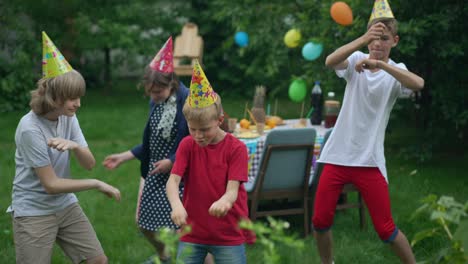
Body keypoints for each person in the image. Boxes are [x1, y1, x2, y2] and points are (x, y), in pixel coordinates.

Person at [312, 1, 424, 263]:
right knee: (320, 221)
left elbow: (418, 84)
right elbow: (330, 61)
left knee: (385, 230)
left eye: (384, 38)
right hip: (337, 156)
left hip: (369, 160)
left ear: (394, 41)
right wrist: (363, 41)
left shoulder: (396, 71)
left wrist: (381, 65)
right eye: (374, 37)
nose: (377, 43)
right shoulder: (355, 61)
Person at [7, 31, 121, 264]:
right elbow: (51, 184)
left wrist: (75, 146)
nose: (78, 103)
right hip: (33, 211)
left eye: (79, 97)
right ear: (53, 96)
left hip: (65, 205)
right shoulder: (30, 128)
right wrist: (96, 184)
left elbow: (89, 164)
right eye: (71, 98)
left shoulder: (68, 116)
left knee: (98, 260)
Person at [102, 37, 195, 263]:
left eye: (158, 91)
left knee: (181, 226)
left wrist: (172, 162)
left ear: (171, 84)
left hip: (180, 174)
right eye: (150, 92)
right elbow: (152, 141)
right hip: (156, 172)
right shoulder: (156, 101)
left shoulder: (186, 101)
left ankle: (188, 259)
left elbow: (192, 141)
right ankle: (165, 255)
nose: (153, 97)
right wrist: (125, 156)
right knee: (144, 223)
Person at [167, 61, 253, 264]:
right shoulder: (187, 145)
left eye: (204, 129)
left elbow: (232, 191)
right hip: (193, 231)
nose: (198, 135)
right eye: (192, 128)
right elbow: (172, 182)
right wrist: (176, 205)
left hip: (228, 233)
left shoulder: (236, 148)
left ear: (220, 120)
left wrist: (224, 201)